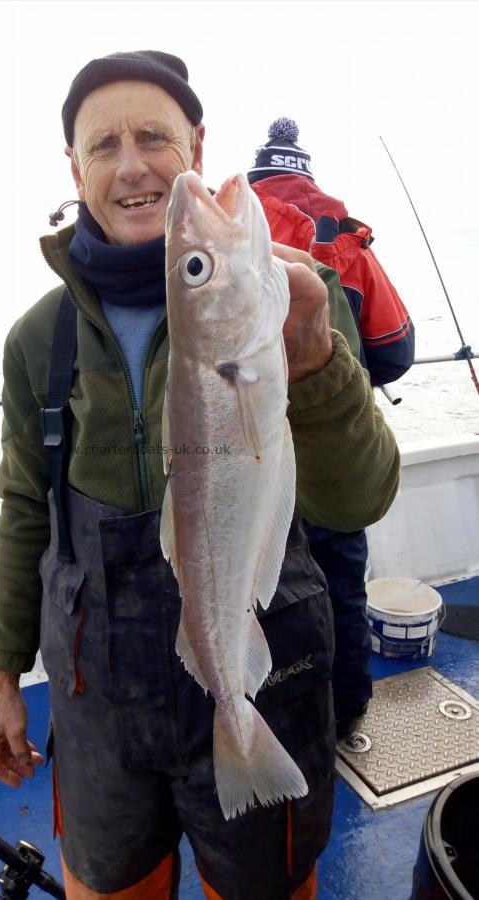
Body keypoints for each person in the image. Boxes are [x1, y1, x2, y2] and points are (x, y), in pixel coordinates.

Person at [0, 52, 400, 899]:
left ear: (196, 147)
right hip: (97, 706)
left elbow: (357, 498)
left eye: (153, 138)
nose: (132, 167)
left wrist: (313, 361)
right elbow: (26, 509)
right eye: (103, 146)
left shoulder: (301, 301)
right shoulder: (39, 338)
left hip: (264, 670)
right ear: (75, 169)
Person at [247, 118, 415, 738]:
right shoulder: (345, 237)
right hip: (332, 444)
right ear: (307, 175)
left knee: (253, 583)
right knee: (339, 576)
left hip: (250, 452)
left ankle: (269, 714)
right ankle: (344, 710)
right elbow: (395, 351)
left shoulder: (224, 232)